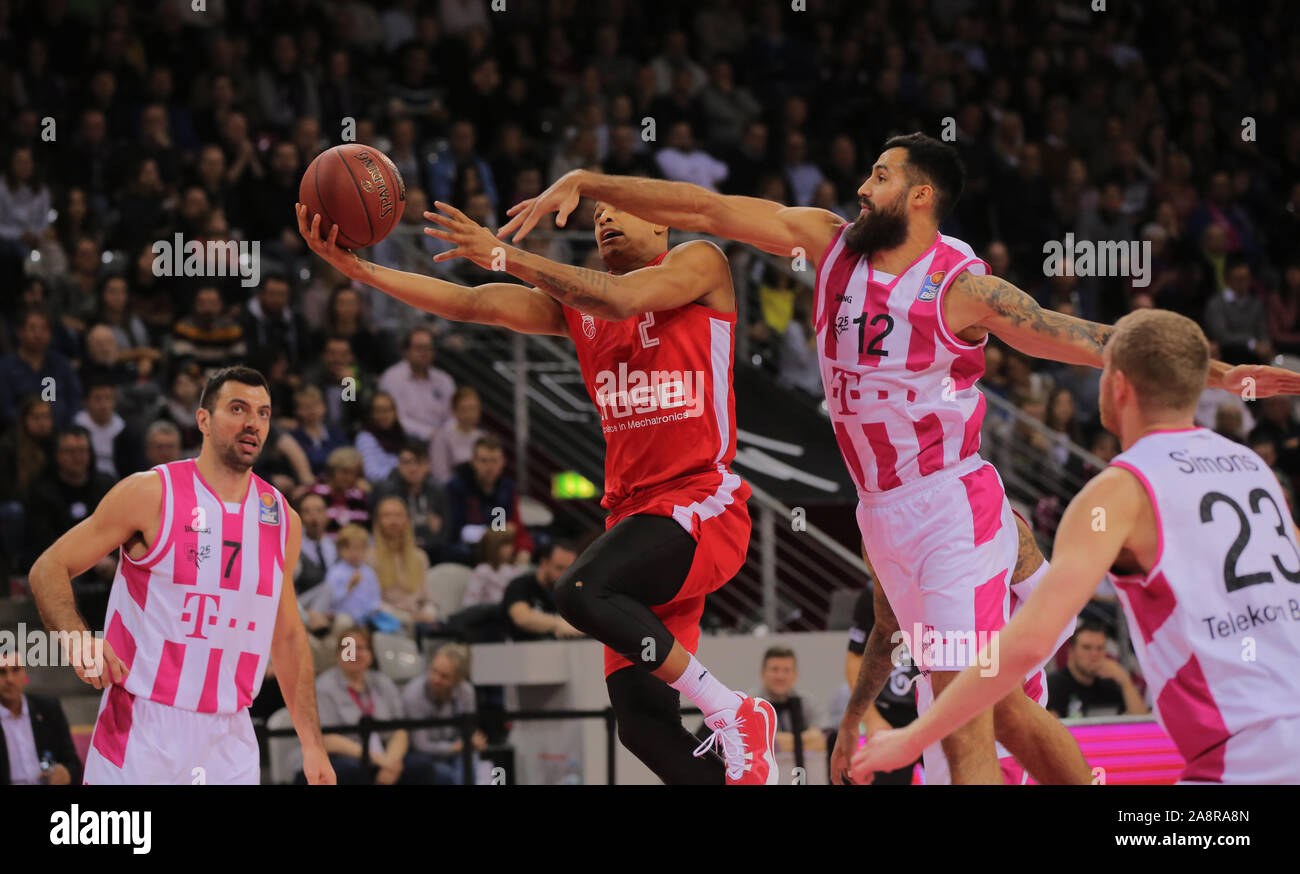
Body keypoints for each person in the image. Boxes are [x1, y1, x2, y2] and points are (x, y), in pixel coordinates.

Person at [509, 136, 1300, 783]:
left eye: (880, 176)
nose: (861, 187)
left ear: (920, 196)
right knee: (1006, 714)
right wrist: (589, 177)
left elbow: (1087, 335)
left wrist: (1222, 371)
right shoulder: (825, 244)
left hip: (950, 505)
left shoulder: (966, 288)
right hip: (882, 515)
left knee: (958, 726)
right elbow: (706, 207)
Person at [300, 194, 776, 785]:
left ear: (659, 222)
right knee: (641, 723)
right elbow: (472, 303)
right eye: (594, 212)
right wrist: (360, 271)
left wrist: (504, 253)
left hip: (702, 501)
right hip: (635, 521)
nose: (601, 217)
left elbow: (620, 296)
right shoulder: (580, 308)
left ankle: (732, 709)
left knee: (579, 590)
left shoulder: (699, 264)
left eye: (615, 207)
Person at [855, 309, 1300, 784]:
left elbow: (1028, 644)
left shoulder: (1119, 491)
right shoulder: (1252, 467)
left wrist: (912, 738)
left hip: (1250, 760)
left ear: (1119, 385)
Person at [27, 366, 334, 784]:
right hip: (142, 725)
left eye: (263, 413)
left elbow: (288, 636)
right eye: (238, 408)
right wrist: (77, 638)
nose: (252, 423)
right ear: (203, 420)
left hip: (231, 735)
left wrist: (312, 742)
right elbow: (49, 567)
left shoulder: (282, 519)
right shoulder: (151, 493)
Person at [311, 628, 436, 785]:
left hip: (384, 754)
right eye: (347, 648)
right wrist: (378, 759)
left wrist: (391, 762)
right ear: (338, 654)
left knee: (421, 766)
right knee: (348, 770)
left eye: (361, 648)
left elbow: (400, 731)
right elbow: (327, 739)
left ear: (371, 654)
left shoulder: (383, 682)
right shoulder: (324, 686)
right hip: (345, 756)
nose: (354, 653)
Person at [401, 642, 484, 784]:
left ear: (458, 679)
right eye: (434, 671)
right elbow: (420, 745)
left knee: (470, 760)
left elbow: (468, 731)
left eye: (445, 676)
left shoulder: (466, 692)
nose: (436, 679)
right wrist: (455, 747)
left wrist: (473, 741)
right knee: (450, 776)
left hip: (457, 751)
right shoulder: (413, 694)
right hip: (424, 756)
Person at [444, 435, 534, 564]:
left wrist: (523, 550)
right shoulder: (456, 487)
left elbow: (515, 526)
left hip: (499, 547)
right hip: (466, 550)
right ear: (473, 462)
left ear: (503, 461)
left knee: (539, 542)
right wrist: (494, 533)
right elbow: (456, 531)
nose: (489, 467)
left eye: (494, 461)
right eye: (484, 461)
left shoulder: (506, 488)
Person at [0, 652, 83, 785]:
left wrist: (66, 773)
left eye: (15, 670)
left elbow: (73, 763)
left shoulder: (48, 708)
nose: (9, 679)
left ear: (24, 672)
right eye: (2, 672)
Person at [1046, 620, 1148, 719]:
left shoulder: (1110, 683)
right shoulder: (1053, 686)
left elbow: (1140, 723)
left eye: (1100, 648)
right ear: (1071, 652)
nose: (1094, 654)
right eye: (1087, 647)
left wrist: (1125, 682)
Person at [372, 439, 449, 564]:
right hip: (395, 551)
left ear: (428, 465)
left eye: (418, 462)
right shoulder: (386, 492)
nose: (412, 468)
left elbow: (444, 532)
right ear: (398, 465)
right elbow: (382, 529)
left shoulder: (438, 492)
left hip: (433, 551)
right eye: (407, 462)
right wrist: (425, 528)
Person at [377, 326, 456, 442]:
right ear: (405, 352)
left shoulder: (444, 379)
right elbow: (395, 418)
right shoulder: (391, 378)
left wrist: (443, 435)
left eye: (429, 348)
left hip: (442, 440)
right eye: (419, 348)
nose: (425, 353)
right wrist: (430, 433)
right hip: (403, 439)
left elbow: (453, 416)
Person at [370, 495, 435, 624]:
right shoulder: (369, 557)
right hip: (387, 622)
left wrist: (428, 612)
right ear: (378, 522)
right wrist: (404, 617)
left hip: (418, 621)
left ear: (407, 520)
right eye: (387, 515)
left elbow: (427, 600)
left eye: (398, 515)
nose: (393, 521)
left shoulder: (420, 557)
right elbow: (371, 602)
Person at [501, 540, 582, 641]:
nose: (565, 574)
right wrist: (558, 623)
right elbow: (522, 617)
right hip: (522, 651)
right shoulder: (520, 585)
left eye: (569, 569)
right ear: (544, 563)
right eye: (559, 568)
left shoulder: (571, 590)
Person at [754, 646, 825, 755]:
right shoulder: (751, 704)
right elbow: (754, 744)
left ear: (795, 675)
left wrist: (777, 742)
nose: (780, 676)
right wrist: (805, 741)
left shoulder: (807, 702)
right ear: (762, 674)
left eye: (786, 670)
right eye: (774, 670)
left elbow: (821, 741)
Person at [322, 524, 382, 626]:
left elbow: (375, 598)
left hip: (366, 618)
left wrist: (372, 612)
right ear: (340, 550)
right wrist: (348, 587)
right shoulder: (335, 572)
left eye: (358, 548)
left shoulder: (369, 572)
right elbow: (329, 600)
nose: (354, 553)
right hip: (342, 618)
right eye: (349, 548)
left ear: (365, 549)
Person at [429, 385, 486, 483]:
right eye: (464, 409)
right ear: (454, 411)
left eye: (473, 408)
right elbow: (440, 475)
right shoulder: (442, 436)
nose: (469, 414)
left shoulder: (483, 437)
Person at [354, 391, 407, 484]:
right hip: (380, 487)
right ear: (371, 413)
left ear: (395, 412)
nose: (384, 415)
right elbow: (370, 473)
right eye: (378, 410)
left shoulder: (401, 435)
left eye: (388, 409)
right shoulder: (365, 437)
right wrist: (400, 473)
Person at [461, 529, 518, 608]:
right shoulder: (483, 570)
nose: (511, 548)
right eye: (505, 545)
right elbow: (469, 603)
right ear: (493, 547)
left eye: (511, 544)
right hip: (487, 615)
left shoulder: (512, 569)